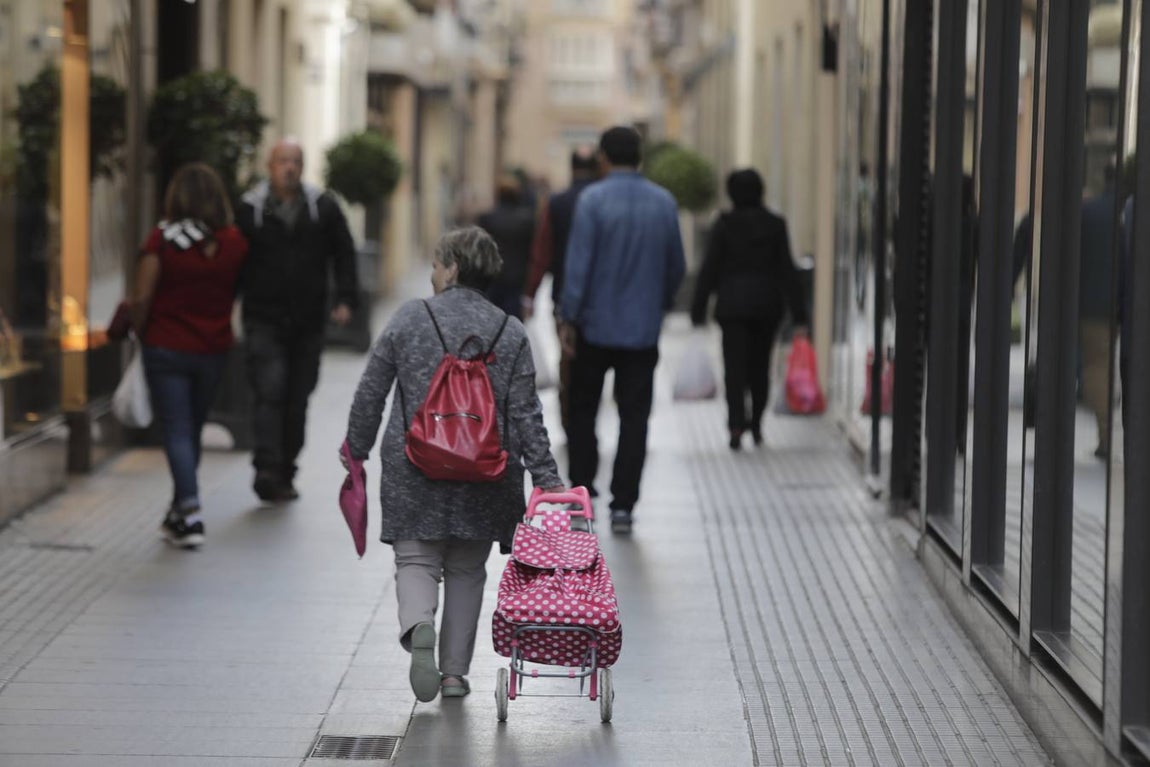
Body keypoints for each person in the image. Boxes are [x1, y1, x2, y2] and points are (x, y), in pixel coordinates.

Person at [343, 227, 563, 702]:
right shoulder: (510, 330)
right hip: (488, 474)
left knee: (416, 558)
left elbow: (371, 391)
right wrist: (549, 481)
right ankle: (454, 675)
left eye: (437, 263)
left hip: (413, 469)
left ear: (454, 269)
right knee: (467, 568)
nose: (432, 272)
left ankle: (419, 626)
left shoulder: (410, 319)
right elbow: (527, 415)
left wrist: (356, 450)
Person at [558, 126, 686, 533]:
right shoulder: (664, 203)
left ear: (603, 159)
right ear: (641, 157)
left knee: (583, 410)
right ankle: (623, 504)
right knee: (635, 416)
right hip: (642, 331)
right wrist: (658, 303)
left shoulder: (593, 200)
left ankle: (582, 493)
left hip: (594, 326)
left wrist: (569, 317)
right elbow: (676, 266)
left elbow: (578, 266)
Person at [130, 163, 248, 547]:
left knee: (177, 430)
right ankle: (178, 510)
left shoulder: (162, 240)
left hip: (166, 346)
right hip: (212, 348)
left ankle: (192, 512)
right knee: (191, 429)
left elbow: (143, 296)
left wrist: (137, 329)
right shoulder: (234, 242)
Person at [237, 139, 359, 501]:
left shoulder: (322, 207)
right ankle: (266, 468)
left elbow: (344, 253)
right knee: (269, 390)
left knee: (297, 396)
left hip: (308, 321)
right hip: (263, 317)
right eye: (282, 161)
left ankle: (286, 467)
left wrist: (345, 299)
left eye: (295, 161)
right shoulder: (250, 210)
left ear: (303, 167)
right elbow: (233, 259)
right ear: (269, 166)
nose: (289, 167)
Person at [690, 168, 810, 450]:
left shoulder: (724, 224)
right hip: (767, 306)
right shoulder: (775, 224)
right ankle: (755, 423)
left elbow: (709, 269)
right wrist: (800, 313)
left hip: (731, 307)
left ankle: (735, 424)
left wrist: (698, 307)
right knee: (760, 366)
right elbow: (786, 270)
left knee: (734, 368)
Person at [522, 146, 600, 433]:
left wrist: (530, 293)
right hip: (601, 298)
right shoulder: (603, 200)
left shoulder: (556, 203)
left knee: (568, 358)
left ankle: (571, 419)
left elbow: (541, 251)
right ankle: (585, 416)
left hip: (564, 297)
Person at [477, 175, 536, 318]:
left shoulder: (486, 219)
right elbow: (532, 254)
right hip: (517, 282)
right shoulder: (527, 221)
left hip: (491, 280)